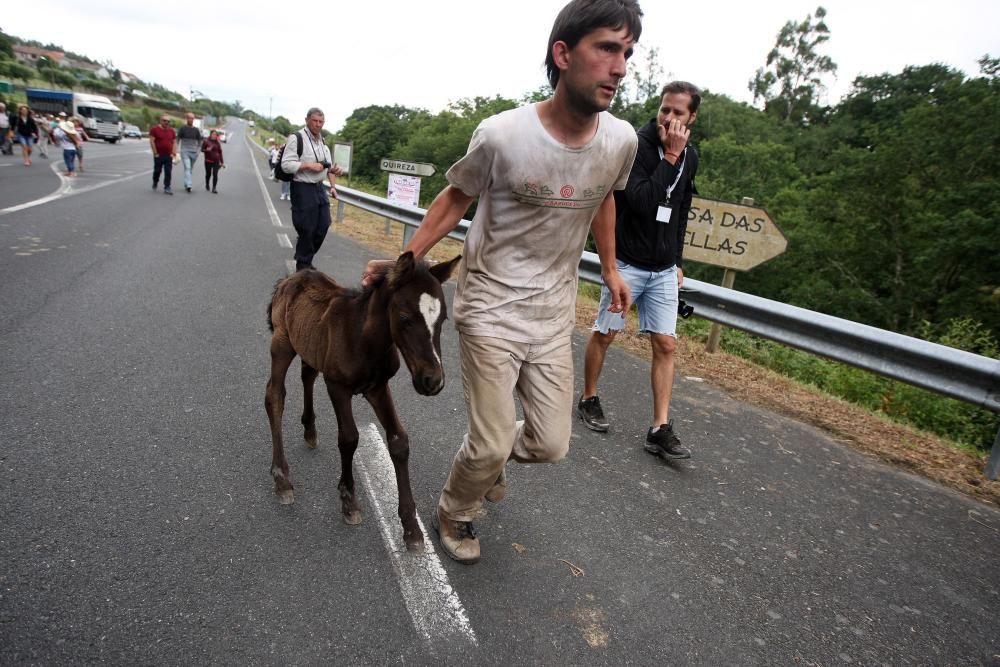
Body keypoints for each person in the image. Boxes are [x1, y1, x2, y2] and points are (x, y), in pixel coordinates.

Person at [361, 0, 642, 565]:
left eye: (628, 53)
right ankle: (455, 508)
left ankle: (485, 461)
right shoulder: (502, 135)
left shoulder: (621, 141)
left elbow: (606, 198)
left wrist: (609, 267)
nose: (621, 68)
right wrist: (405, 261)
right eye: (607, 49)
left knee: (549, 444)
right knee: (489, 443)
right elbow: (456, 197)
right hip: (489, 305)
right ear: (563, 54)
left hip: (552, 311)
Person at [578, 81, 701, 461]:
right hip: (628, 262)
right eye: (665, 109)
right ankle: (588, 398)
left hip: (663, 267)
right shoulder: (638, 145)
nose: (668, 118)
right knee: (606, 334)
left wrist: (677, 260)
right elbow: (644, 201)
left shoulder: (690, 156)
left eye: (678, 112)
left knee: (666, 344)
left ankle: (659, 427)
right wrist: (668, 157)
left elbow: (679, 208)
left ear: (691, 117)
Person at [280, 108, 344, 270]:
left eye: (321, 122)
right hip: (302, 187)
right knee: (306, 227)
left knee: (323, 225)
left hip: (319, 188)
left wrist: (334, 183)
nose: (317, 124)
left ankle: (304, 258)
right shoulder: (297, 138)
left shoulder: (323, 143)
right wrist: (308, 165)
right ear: (307, 120)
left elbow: (328, 167)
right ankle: (303, 265)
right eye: (315, 121)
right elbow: (286, 165)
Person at [149, 115, 177, 195]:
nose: (166, 123)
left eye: (168, 121)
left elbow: (174, 142)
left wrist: (173, 152)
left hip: (168, 155)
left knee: (168, 171)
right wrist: (155, 153)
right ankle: (155, 181)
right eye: (165, 121)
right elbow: (152, 141)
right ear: (160, 121)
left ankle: (167, 187)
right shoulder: (154, 129)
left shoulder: (171, 131)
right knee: (157, 170)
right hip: (159, 155)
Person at [177, 112, 203, 193]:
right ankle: (189, 185)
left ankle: (186, 183)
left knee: (189, 169)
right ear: (186, 119)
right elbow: (177, 139)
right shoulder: (182, 128)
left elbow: (200, 141)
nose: (191, 120)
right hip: (185, 151)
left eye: (192, 118)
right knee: (188, 168)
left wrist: (198, 152)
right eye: (189, 118)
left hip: (194, 152)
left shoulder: (196, 130)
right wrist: (176, 150)